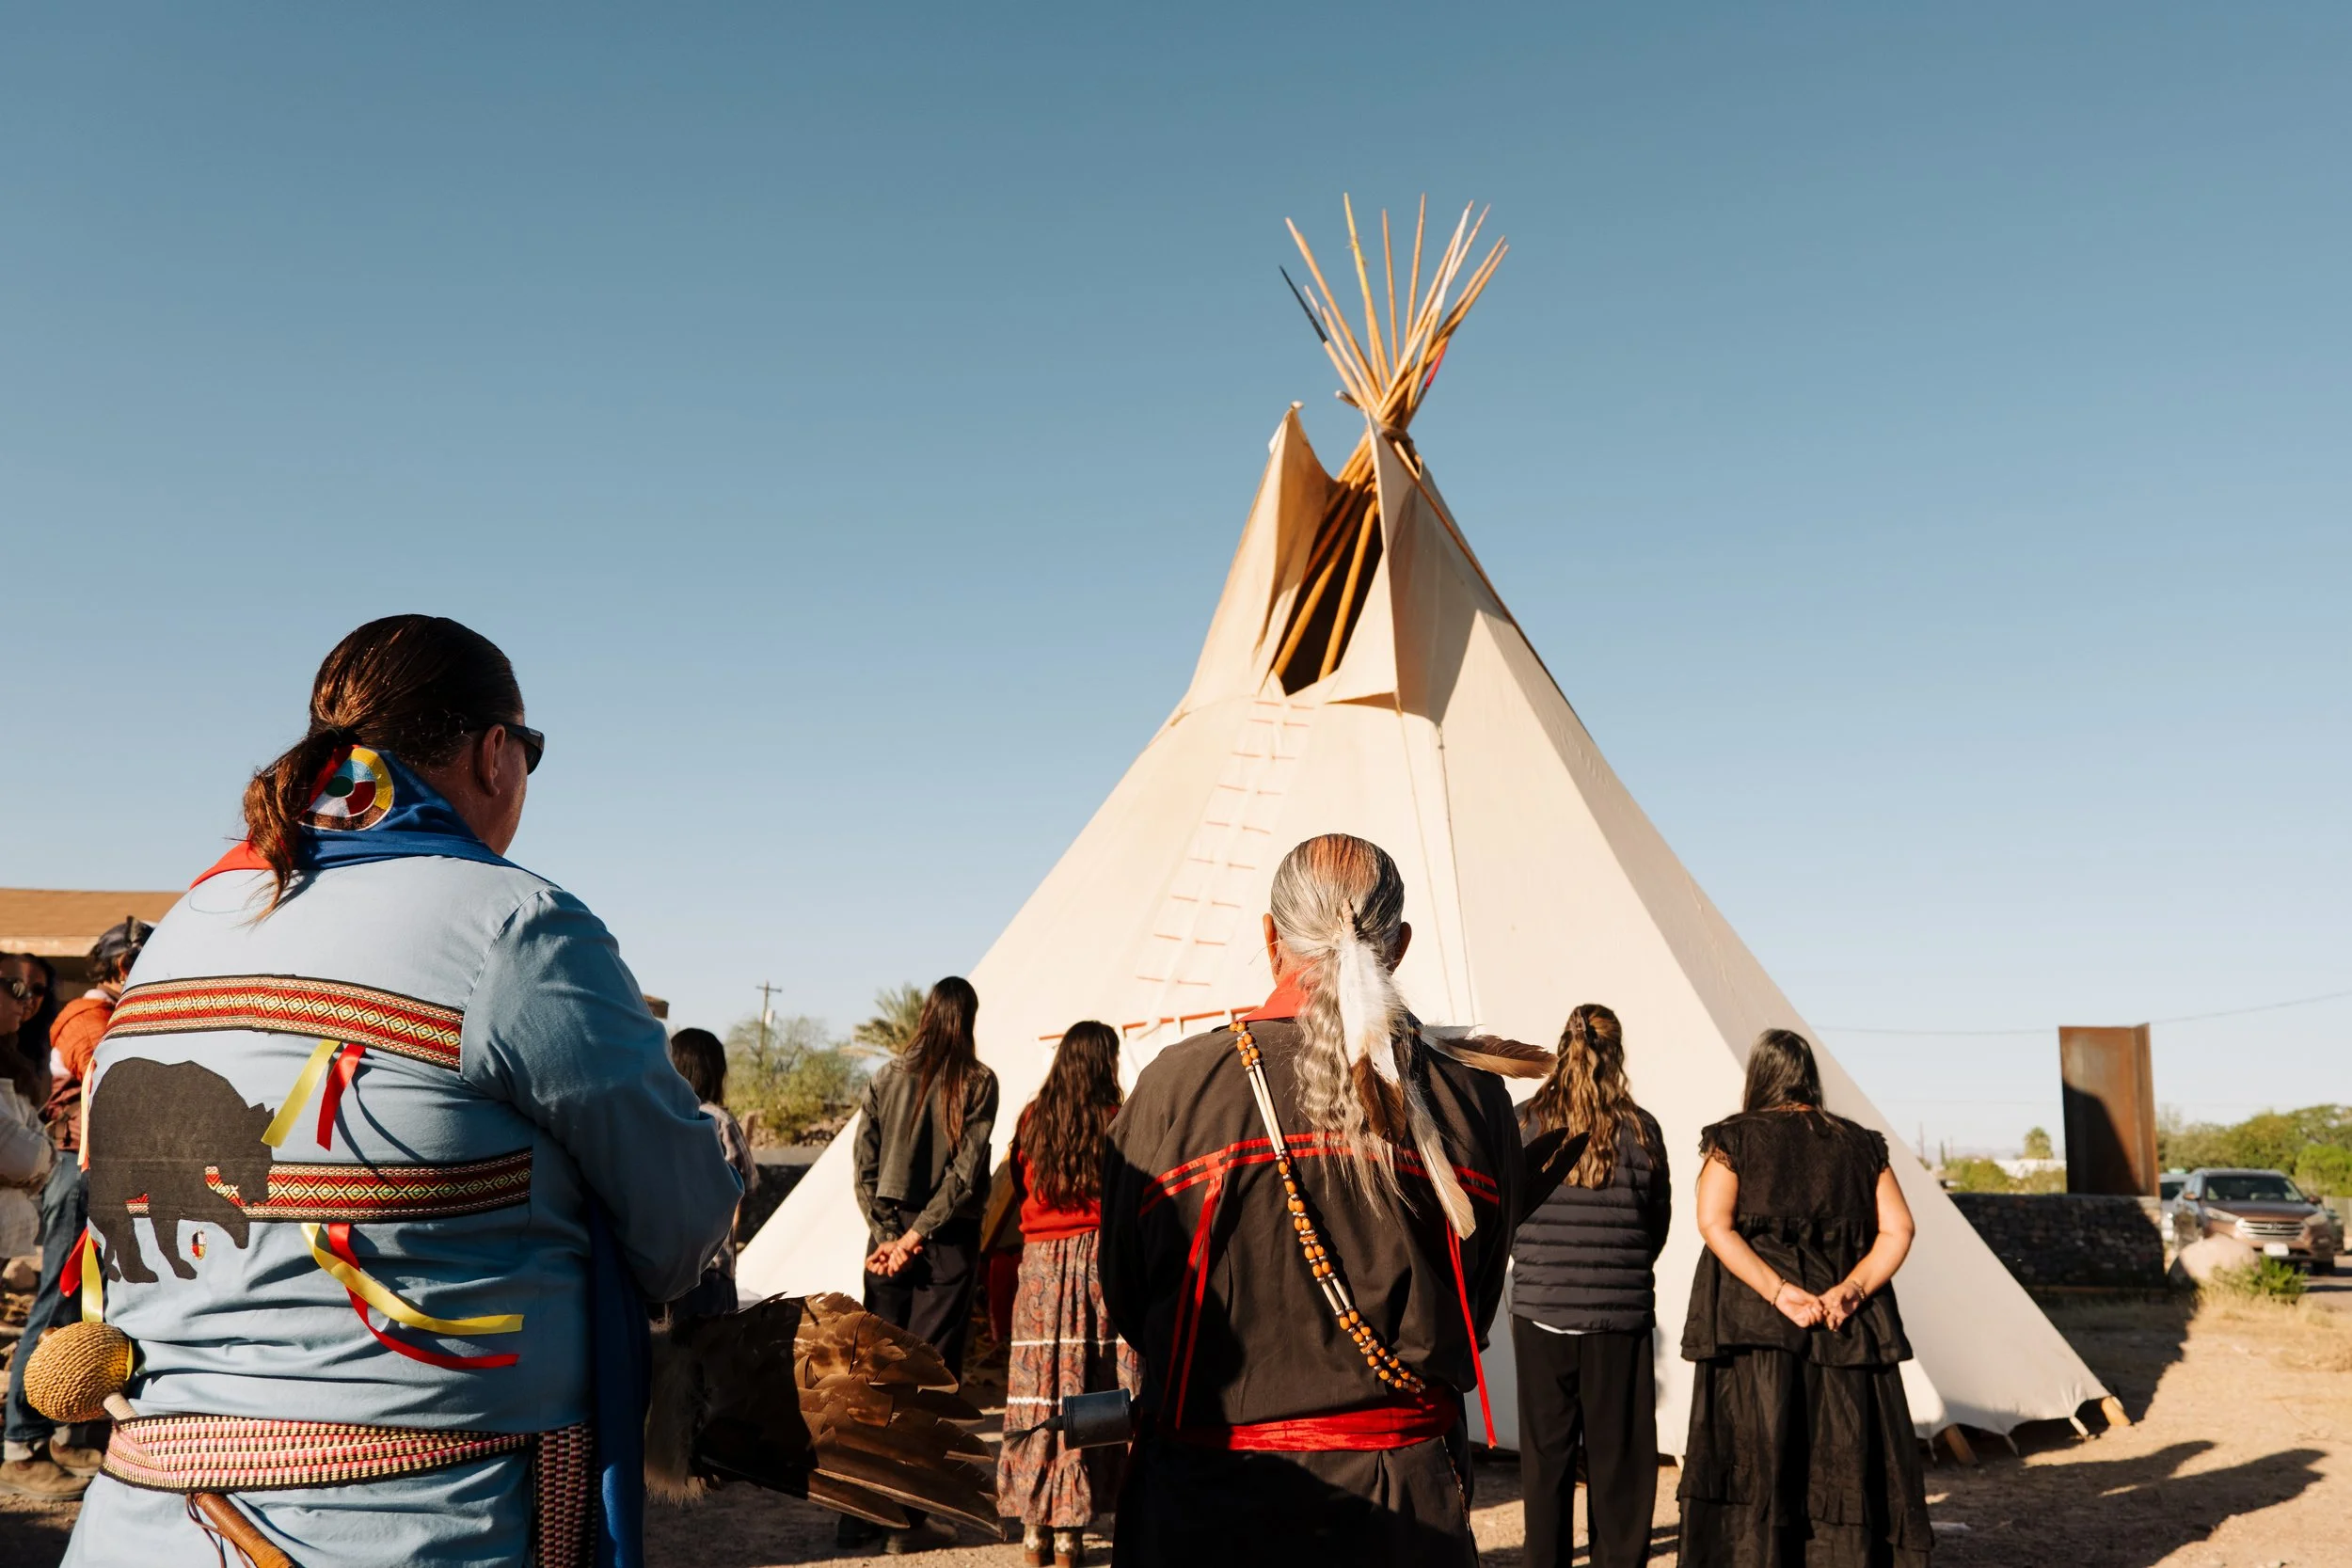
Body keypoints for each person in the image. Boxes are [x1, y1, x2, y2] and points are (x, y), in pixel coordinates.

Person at [61, 614, 741, 1567]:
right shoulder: (516, 927)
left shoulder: (187, 922)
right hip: (413, 1528)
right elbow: (682, 1225)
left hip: (139, 1523)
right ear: (496, 753)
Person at [1101, 832, 1530, 1568]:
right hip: (1400, 1512)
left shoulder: (1177, 1088)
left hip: (1211, 1508)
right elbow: (1476, 1303)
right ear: (1397, 945)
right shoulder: (1474, 1098)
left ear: (1271, 938)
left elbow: (1130, 1297)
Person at [1677, 1028, 1931, 1566]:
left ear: (1760, 1076)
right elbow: (1900, 1229)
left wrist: (1779, 1292)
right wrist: (1850, 1291)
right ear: (1809, 1077)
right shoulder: (1860, 1144)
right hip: (1845, 1331)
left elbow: (1713, 1223)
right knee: (1837, 1453)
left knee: (1764, 1452)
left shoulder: (1735, 1139)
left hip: (1755, 1330)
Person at [1509, 1003, 1670, 1568]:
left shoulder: (1524, 1121)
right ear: (1618, 1054)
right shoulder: (1642, 1129)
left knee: (1546, 1460)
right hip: (1617, 1319)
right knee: (1619, 1461)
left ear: (1561, 1049)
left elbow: (1506, 1215)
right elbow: (1656, 1227)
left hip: (1540, 1312)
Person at [848, 974, 999, 1551]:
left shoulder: (886, 1076)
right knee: (924, 1383)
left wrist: (887, 1235)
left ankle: (860, 1512)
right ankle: (905, 1522)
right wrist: (913, 1237)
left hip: (887, 1243)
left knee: (876, 1376)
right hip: (943, 1245)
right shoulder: (978, 1082)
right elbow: (964, 1173)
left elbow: (863, 1167)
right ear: (969, 1020)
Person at [1, 921, 149, 1500]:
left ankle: (69, 1430)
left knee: (96, 1306)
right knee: (59, 1300)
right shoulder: (85, 1019)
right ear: (119, 968)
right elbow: (110, 1072)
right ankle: (20, 1443)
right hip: (74, 1167)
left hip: (107, 1173)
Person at [997, 1021, 1141, 1568]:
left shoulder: (1032, 1120)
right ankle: (1070, 1537)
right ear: (1102, 1062)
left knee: (1040, 1390)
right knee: (1091, 1385)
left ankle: (1036, 1533)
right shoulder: (1114, 1120)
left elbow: (1017, 1184)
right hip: (1095, 1262)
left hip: (1039, 1269)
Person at [664, 1025, 759, 1322]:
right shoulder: (720, 1121)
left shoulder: (658, 1116)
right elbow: (749, 1181)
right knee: (713, 1359)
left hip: (663, 1268)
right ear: (716, 1072)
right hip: (712, 1269)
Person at [0, 958, 52, 1260]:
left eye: (37, 990)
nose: (28, 999)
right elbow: (24, 1158)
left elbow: (42, 1158)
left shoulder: (14, 1059)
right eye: (15, 987)